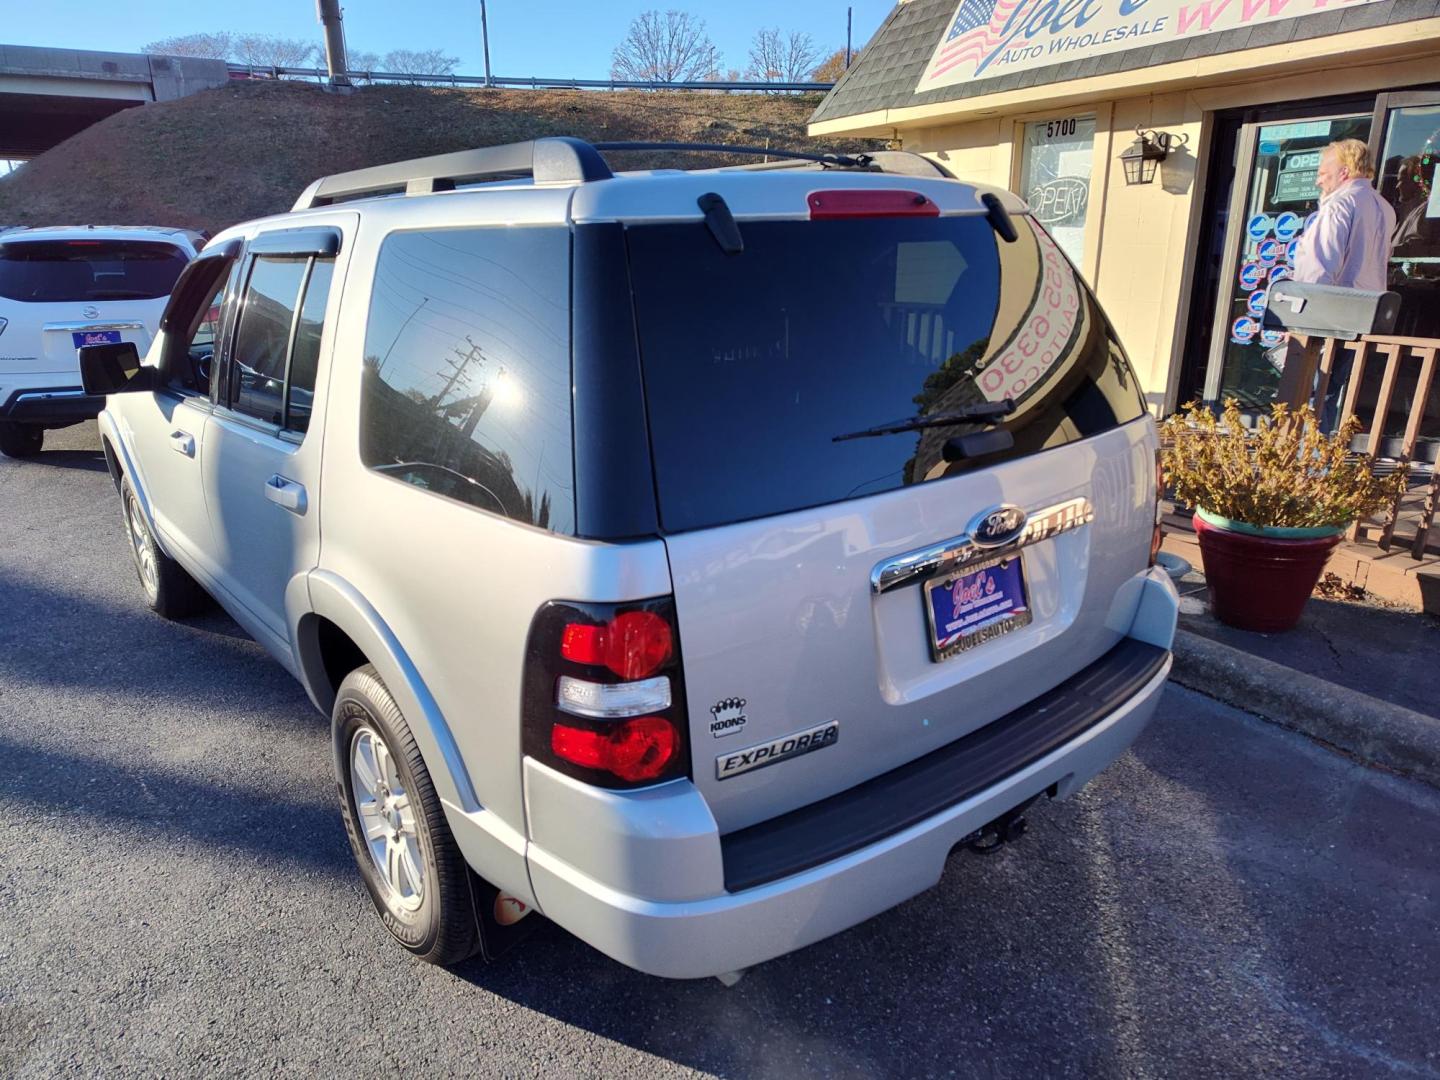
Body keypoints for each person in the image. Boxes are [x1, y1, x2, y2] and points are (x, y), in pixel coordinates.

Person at [1289, 139, 1397, 429]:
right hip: (1362, 317)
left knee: (1312, 396)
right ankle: (1323, 461)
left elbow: (1319, 268)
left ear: (1345, 172)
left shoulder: (1340, 204)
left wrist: (1298, 322)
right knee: (1335, 395)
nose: (1317, 178)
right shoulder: (1384, 207)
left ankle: (1310, 466)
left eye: (1324, 171)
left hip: (1329, 318)